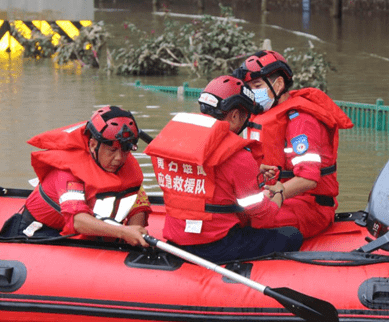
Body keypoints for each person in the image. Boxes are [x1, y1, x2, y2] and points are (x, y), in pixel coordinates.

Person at [144, 75, 303, 263]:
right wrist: (279, 194)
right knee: (292, 235)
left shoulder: (171, 143)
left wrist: (253, 170)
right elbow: (262, 217)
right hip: (216, 246)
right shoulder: (239, 157)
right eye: (245, 116)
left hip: (176, 240)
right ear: (235, 115)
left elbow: (205, 174)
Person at [233, 50, 354, 238]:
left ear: (279, 84)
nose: (252, 93)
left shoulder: (301, 121)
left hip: (310, 206)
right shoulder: (262, 115)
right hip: (277, 196)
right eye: (249, 87)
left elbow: (308, 178)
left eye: (256, 85)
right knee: (228, 213)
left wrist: (273, 197)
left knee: (251, 221)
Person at [0, 106, 151, 247]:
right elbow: (77, 220)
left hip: (91, 230)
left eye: (124, 151)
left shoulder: (126, 164)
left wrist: (134, 233)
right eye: (111, 151)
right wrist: (123, 232)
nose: (119, 158)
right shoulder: (68, 171)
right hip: (42, 231)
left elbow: (138, 203)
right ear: (93, 145)